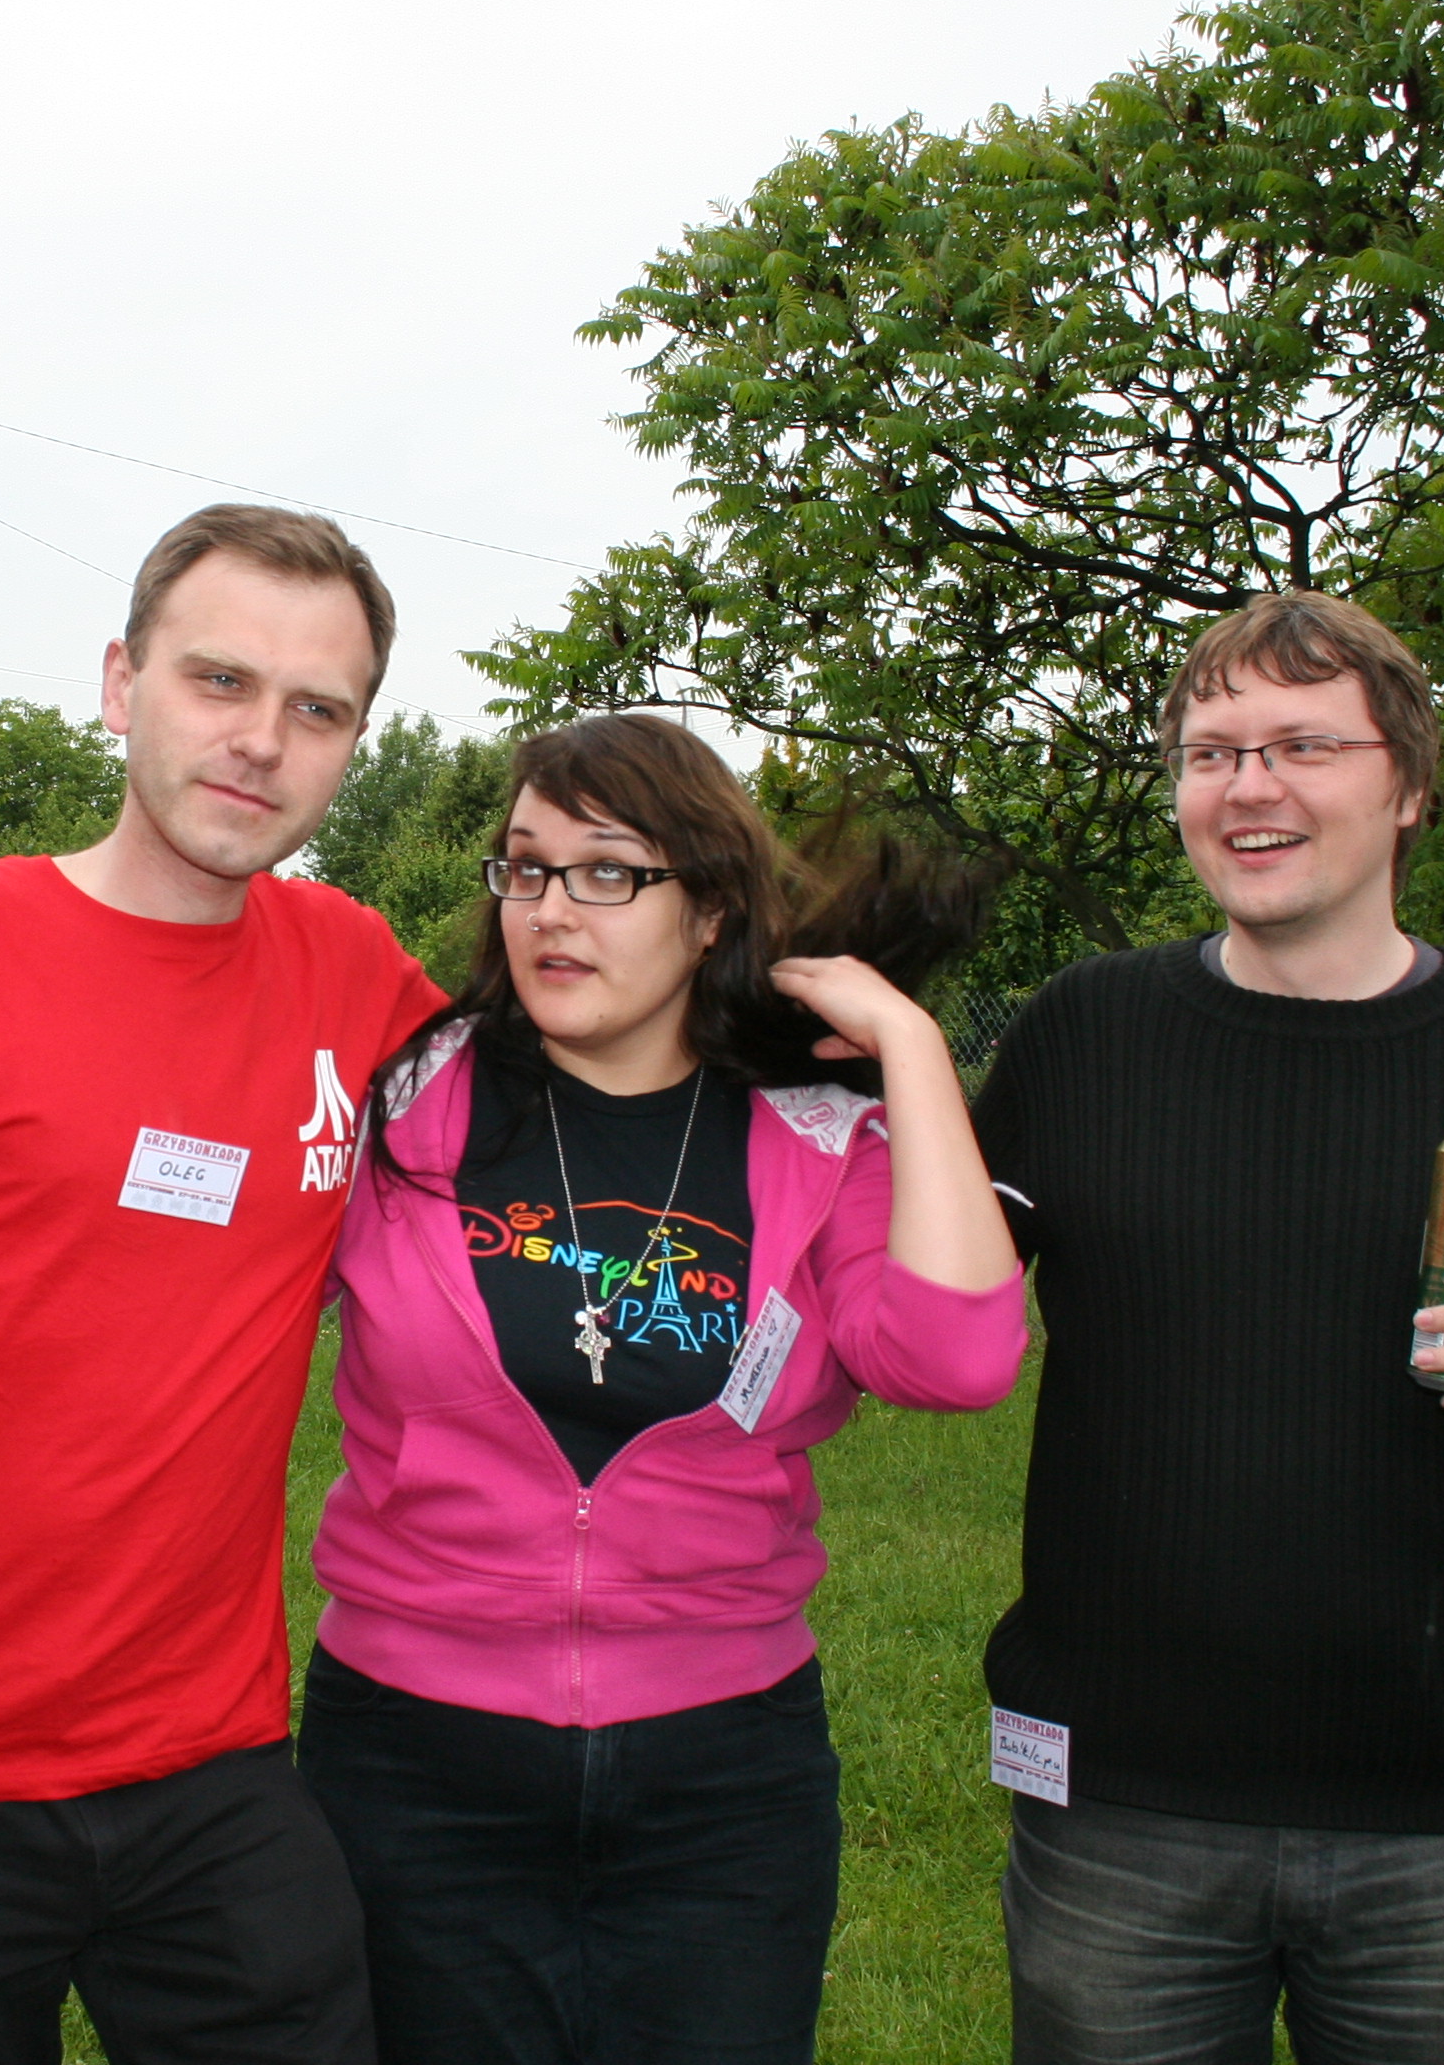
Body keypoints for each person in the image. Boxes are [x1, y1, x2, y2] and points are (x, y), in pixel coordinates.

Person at [968, 590, 1444, 2064]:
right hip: (1122, 1813)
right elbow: (922, 1306)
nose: (1248, 787)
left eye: (1303, 747)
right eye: (1212, 754)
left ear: (1409, 787)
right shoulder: (1083, 1036)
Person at [0, 505, 448, 2065]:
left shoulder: (354, 974)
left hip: (211, 1753)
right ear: (122, 684)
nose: (261, 741)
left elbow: (572, 1101)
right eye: (219, 680)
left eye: (317, 709)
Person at [297, 713, 1030, 2065]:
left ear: (709, 914)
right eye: (527, 867)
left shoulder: (816, 1138)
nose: (551, 910)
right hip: (413, 1760)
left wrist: (907, 1046)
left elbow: (957, 1360)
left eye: (608, 872)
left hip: (723, 1783)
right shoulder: (402, 1101)